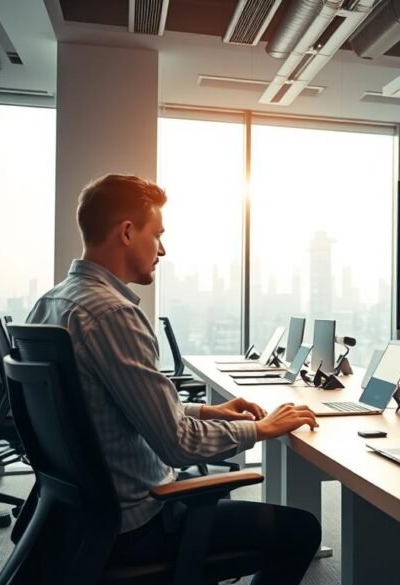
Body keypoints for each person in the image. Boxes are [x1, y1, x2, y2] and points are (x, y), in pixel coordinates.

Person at [26, 174, 321, 584]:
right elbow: (178, 445)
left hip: (79, 519)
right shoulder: (114, 314)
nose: (162, 249)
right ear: (128, 232)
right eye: (158, 235)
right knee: (302, 529)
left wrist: (207, 410)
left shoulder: (51, 304)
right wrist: (261, 428)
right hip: (139, 522)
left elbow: (108, 408)